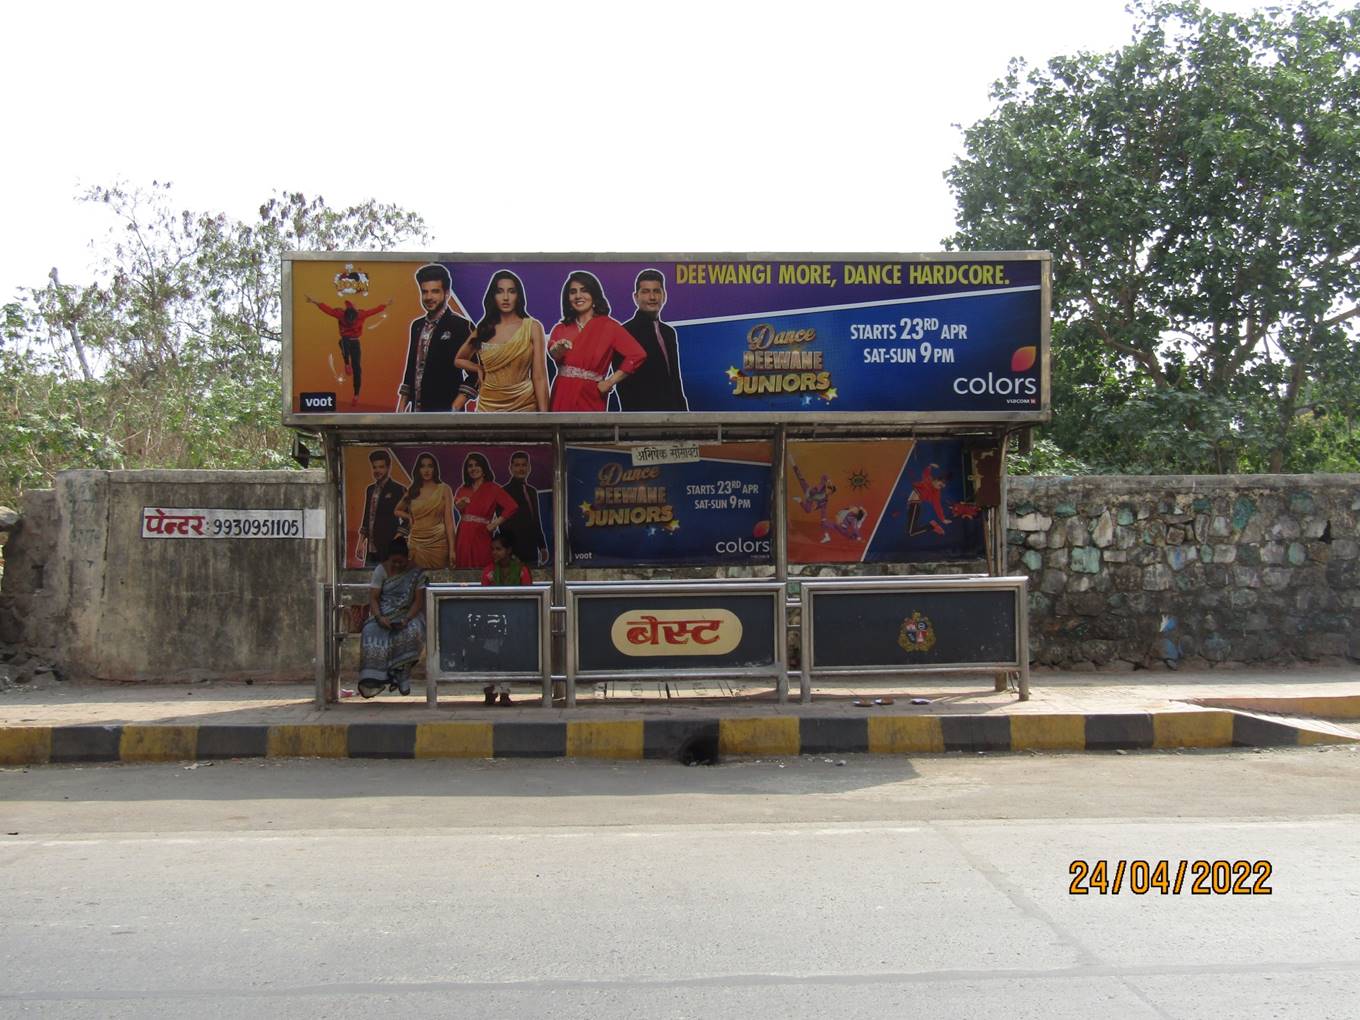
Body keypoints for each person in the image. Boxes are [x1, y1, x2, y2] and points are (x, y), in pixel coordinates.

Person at [547, 271, 647, 412]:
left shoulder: (609, 326)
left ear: (594, 294)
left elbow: (638, 354)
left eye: (584, 290)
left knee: (589, 433)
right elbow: (553, 352)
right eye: (573, 292)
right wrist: (558, 348)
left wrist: (610, 382)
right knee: (560, 432)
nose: (578, 296)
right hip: (562, 392)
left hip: (591, 394)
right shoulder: (561, 328)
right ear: (567, 298)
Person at [456, 270, 549, 412]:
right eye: (500, 292)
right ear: (493, 296)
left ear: (518, 296)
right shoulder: (484, 328)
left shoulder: (532, 327)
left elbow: (539, 376)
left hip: (523, 405)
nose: (506, 297)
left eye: (511, 292)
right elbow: (459, 359)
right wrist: (478, 368)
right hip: (488, 406)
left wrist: (545, 417)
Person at [398, 264, 476, 412]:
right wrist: (401, 409)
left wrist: (457, 405)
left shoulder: (461, 326)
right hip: (416, 414)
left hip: (447, 418)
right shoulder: (417, 326)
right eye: (424, 292)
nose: (428, 297)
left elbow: (479, 370)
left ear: (447, 293)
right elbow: (411, 370)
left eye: (435, 291)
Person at [357, 538, 426, 698]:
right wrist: (380, 617)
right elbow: (373, 597)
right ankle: (374, 679)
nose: (397, 565)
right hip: (383, 614)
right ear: (388, 559)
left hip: (409, 615)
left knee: (412, 632)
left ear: (407, 558)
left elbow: (418, 601)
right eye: (394, 562)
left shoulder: (416, 573)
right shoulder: (380, 570)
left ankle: (402, 673)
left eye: (400, 562)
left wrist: (407, 619)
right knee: (370, 632)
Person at [616, 269, 688, 411]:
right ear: (636, 297)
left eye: (656, 291)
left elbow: (675, 379)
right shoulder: (625, 332)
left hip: (674, 416)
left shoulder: (668, 333)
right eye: (645, 292)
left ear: (664, 295)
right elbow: (623, 384)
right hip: (641, 417)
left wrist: (683, 414)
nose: (652, 297)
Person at [305, 294, 391, 404]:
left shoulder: (361, 315)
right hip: (345, 339)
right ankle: (346, 363)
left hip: (355, 342)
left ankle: (356, 394)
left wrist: (387, 304)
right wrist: (313, 300)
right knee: (343, 341)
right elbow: (327, 309)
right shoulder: (340, 314)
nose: (350, 324)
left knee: (357, 368)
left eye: (352, 322)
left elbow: (374, 310)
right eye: (348, 322)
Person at [479, 533, 532, 706]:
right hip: (492, 621)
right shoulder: (488, 571)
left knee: (507, 657)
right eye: (493, 549)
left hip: (514, 621)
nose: (495, 552)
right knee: (490, 655)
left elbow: (528, 596)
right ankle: (489, 689)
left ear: (509, 550)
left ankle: (504, 692)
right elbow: (484, 597)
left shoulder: (522, 570)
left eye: (499, 549)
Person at [453, 452, 518, 569]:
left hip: (482, 533)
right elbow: (459, 506)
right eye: (470, 466)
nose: (473, 468)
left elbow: (512, 506)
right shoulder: (463, 489)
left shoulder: (493, 488)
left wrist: (495, 523)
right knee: (463, 566)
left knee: (483, 564)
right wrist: (460, 504)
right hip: (464, 533)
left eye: (477, 465)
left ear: (484, 468)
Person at [394, 452, 456, 570]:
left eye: (430, 466)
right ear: (418, 469)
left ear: (435, 469)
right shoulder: (413, 490)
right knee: (416, 580)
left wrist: (452, 550)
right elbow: (397, 510)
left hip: (438, 543)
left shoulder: (444, 489)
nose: (426, 470)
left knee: (438, 581)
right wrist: (409, 517)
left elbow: (449, 522)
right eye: (423, 466)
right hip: (416, 543)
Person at [356, 448, 407, 566]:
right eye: (374, 467)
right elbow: (367, 517)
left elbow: (409, 519)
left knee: (390, 582)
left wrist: (396, 539)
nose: (377, 470)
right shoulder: (370, 490)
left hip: (389, 549)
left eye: (381, 467)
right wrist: (361, 543)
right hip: (371, 548)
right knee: (370, 582)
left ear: (388, 468)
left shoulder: (398, 489)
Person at [501, 449, 549, 567]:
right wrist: (508, 550)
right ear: (511, 468)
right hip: (512, 551)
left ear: (529, 468)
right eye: (517, 465)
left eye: (524, 465)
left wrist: (542, 546)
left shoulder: (532, 491)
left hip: (531, 550)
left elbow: (536, 520)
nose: (521, 469)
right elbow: (502, 524)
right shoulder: (504, 492)